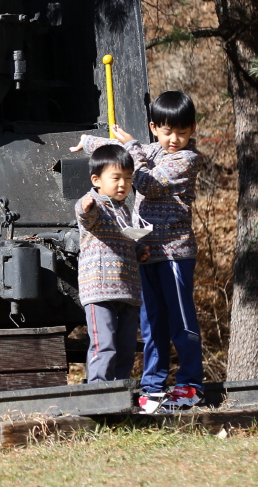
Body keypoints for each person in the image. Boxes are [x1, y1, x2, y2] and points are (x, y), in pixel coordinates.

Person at [71, 91, 204, 413]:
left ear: (192, 130)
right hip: (144, 254)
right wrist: (87, 142)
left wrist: (132, 146)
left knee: (181, 320)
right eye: (167, 132)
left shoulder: (187, 159)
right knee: (151, 324)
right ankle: (153, 388)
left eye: (182, 132)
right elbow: (119, 152)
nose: (175, 139)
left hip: (174, 253)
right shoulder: (150, 150)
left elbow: (148, 183)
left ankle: (190, 385)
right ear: (154, 128)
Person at [74, 144, 148, 385]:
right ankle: (98, 391)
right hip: (100, 290)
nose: (123, 184)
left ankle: (120, 390)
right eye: (116, 178)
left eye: (128, 178)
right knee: (104, 345)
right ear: (96, 180)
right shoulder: (93, 202)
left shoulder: (124, 209)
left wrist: (139, 250)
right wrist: (86, 208)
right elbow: (85, 217)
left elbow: (126, 239)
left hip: (127, 290)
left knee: (126, 348)